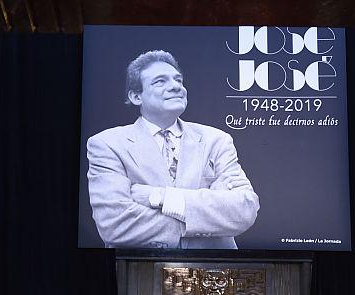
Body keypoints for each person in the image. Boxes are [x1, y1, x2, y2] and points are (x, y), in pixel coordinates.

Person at [87, 49, 260, 249]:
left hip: (216, 272)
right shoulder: (107, 144)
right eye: (160, 81)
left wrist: (160, 197)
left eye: (178, 80)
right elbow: (115, 225)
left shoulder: (217, 140)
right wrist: (207, 216)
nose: (176, 87)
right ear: (136, 96)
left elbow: (244, 209)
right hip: (140, 273)